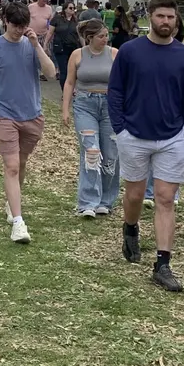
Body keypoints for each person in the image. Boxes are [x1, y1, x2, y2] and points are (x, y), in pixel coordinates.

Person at [107, 0, 184, 293]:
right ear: (150, 17)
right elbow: (116, 91)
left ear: (177, 19)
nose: (166, 22)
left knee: (165, 198)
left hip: (172, 136)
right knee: (134, 194)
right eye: (160, 16)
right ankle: (131, 228)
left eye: (171, 17)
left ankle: (163, 263)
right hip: (134, 134)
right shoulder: (130, 51)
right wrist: (121, 129)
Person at [0, 0, 59, 243]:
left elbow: (51, 73)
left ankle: (12, 202)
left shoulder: (31, 45)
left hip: (32, 114)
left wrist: (37, 45)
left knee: (21, 163)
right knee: (12, 166)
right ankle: (18, 222)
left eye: (23, 25)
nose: (19, 30)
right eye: (15, 25)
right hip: (5, 114)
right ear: (6, 22)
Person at [61, 19, 118, 218]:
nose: (105, 39)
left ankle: (106, 200)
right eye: (101, 36)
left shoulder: (114, 54)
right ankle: (88, 202)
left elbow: (123, 83)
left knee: (110, 154)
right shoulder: (77, 55)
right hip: (85, 104)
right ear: (90, 38)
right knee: (91, 151)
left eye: (106, 35)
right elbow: (69, 82)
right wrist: (65, 109)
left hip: (110, 106)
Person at [50, 3, 82, 88]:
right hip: (60, 47)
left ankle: (72, 88)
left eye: (73, 8)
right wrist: (45, 45)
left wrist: (84, 46)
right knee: (64, 70)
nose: (72, 9)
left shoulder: (76, 20)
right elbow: (50, 33)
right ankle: (64, 91)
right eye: (70, 8)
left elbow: (80, 35)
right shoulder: (57, 19)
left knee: (72, 70)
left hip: (73, 48)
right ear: (65, 9)